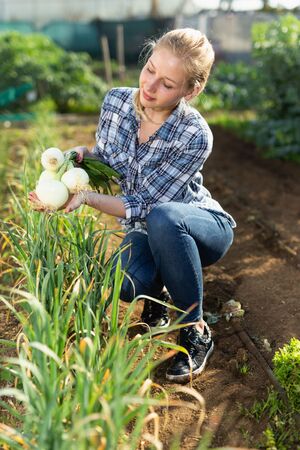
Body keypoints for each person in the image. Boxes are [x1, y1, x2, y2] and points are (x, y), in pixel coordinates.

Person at [29, 28, 236, 383]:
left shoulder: (194, 133)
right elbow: (109, 160)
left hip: (198, 226)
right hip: (146, 227)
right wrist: (79, 160)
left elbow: (148, 203)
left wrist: (87, 199)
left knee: (164, 218)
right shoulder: (116, 103)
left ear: (191, 90)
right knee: (126, 283)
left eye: (168, 84)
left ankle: (195, 328)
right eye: (150, 69)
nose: (150, 86)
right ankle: (161, 291)